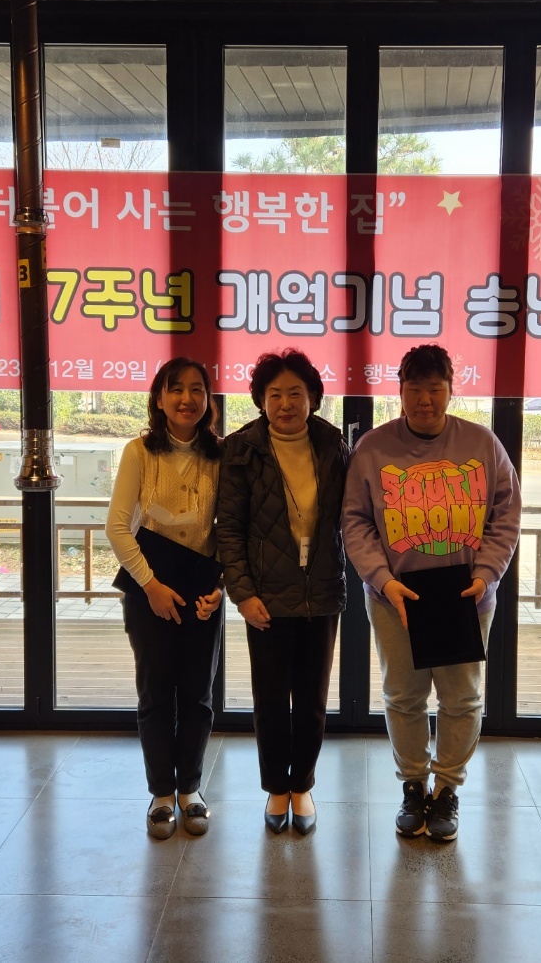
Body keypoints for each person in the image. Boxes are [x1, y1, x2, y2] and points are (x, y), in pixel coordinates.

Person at [342, 344, 520, 843]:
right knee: (404, 695)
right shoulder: (373, 448)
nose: (425, 399)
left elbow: (506, 514)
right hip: (394, 595)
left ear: (450, 389)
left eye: (435, 388)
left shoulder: (482, 444)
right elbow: (355, 521)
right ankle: (413, 785)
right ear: (400, 391)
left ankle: (447, 789)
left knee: (461, 697)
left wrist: (486, 574)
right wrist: (382, 579)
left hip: (465, 593)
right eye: (414, 388)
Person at [216, 350, 349, 836]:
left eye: (296, 393)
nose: (286, 404)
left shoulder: (332, 444)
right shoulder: (242, 449)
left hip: (321, 593)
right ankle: (276, 787)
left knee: (312, 701)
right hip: (265, 596)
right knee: (271, 700)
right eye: (275, 395)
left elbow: (354, 515)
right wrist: (242, 593)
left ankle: (302, 786)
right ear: (260, 400)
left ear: (313, 398)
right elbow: (229, 529)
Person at [107, 357, 224, 840]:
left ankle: (190, 789)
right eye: (176, 389)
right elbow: (117, 527)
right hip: (148, 585)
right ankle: (160, 793)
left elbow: (228, 530)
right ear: (159, 398)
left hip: (201, 587)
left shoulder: (221, 455)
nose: (186, 399)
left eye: (197, 389)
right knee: (156, 692)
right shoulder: (139, 451)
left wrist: (218, 588)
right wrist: (150, 586)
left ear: (208, 400)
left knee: (197, 693)